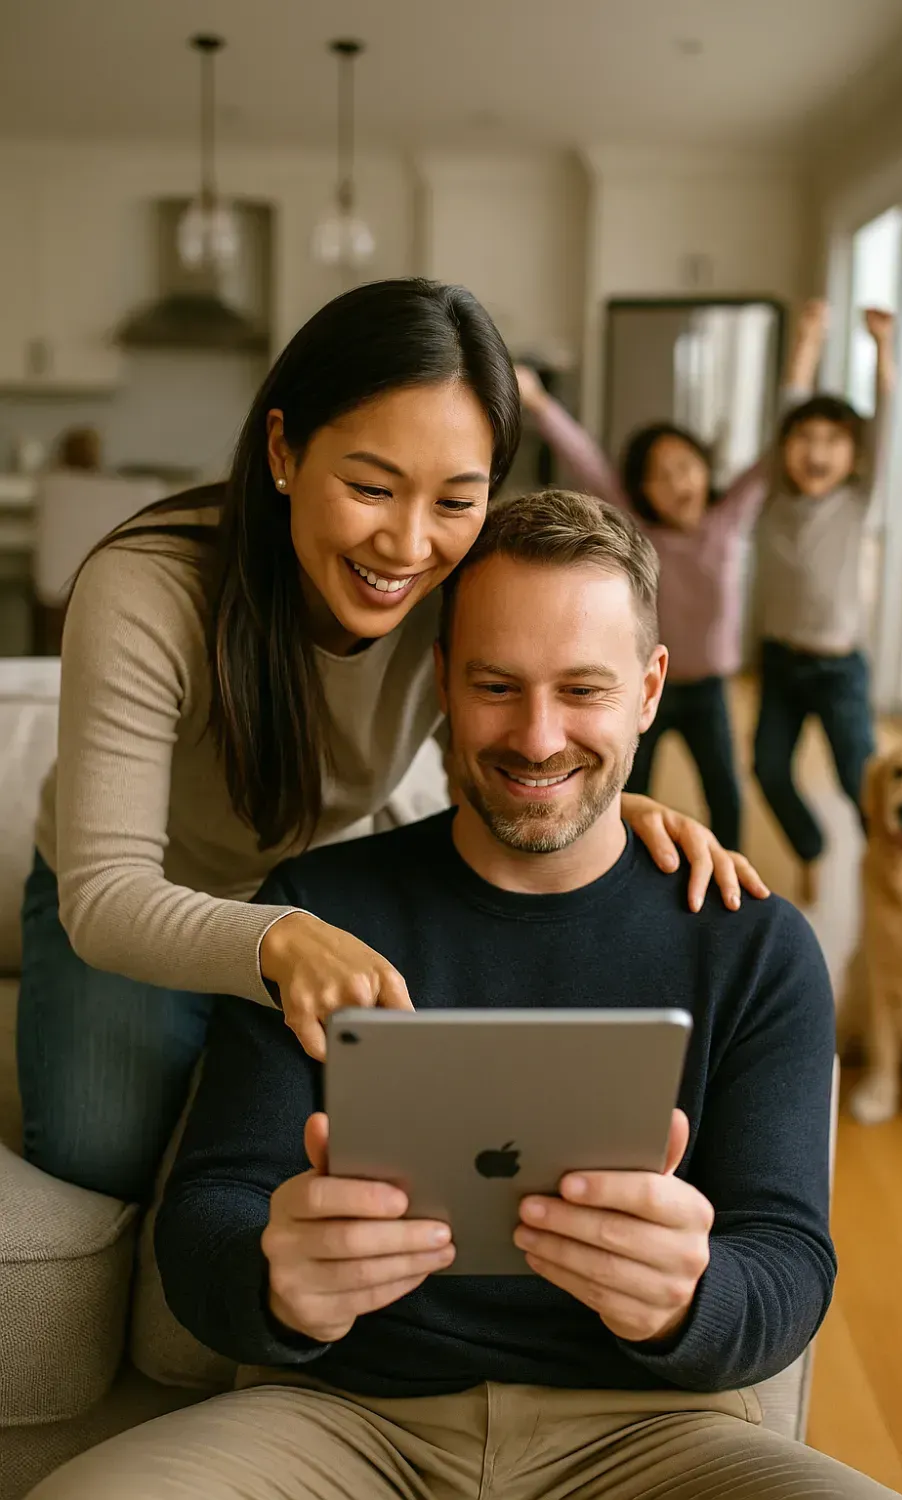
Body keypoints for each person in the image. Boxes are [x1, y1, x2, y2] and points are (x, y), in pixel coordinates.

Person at [29, 490, 900, 1500]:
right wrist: (274, 1281)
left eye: (583, 690)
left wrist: (689, 1298)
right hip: (341, 1422)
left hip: (652, 1436)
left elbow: (789, 1261)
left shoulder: (755, 945)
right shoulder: (318, 912)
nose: (537, 738)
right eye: (497, 685)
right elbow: (206, 1216)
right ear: (440, 680)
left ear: (651, 689)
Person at [17, 280, 767, 1204]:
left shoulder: (461, 576)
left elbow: (515, 733)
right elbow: (106, 893)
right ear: (284, 448)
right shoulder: (146, 590)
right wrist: (276, 941)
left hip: (318, 882)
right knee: (103, 1162)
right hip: (138, 899)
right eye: (370, 487)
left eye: (457, 498)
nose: (408, 546)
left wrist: (609, 803)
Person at [516, 366, 770, 854]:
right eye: (661, 474)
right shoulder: (638, 528)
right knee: (631, 789)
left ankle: (731, 871)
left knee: (724, 792)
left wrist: (805, 350)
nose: (678, 482)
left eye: (686, 466)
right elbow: (586, 462)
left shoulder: (729, 520)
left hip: (710, 689)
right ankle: (631, 865)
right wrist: (540, 402)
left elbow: (769, 461)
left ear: (705, 469)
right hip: (648, 685)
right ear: (642, 491)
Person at [752, 300, 895, 905]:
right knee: (768, 769)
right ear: (785, 449)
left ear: (854, 455)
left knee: (859, 782)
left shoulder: (860, 501)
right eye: (804, 439)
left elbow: (888, 424)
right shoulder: (774, 499)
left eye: (832, 442)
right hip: (780, 662)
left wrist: (882, 350)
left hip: (839, 669)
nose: (815, 452)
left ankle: (890, 870)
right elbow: (789, 401)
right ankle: (811, 848)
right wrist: (807, 340)